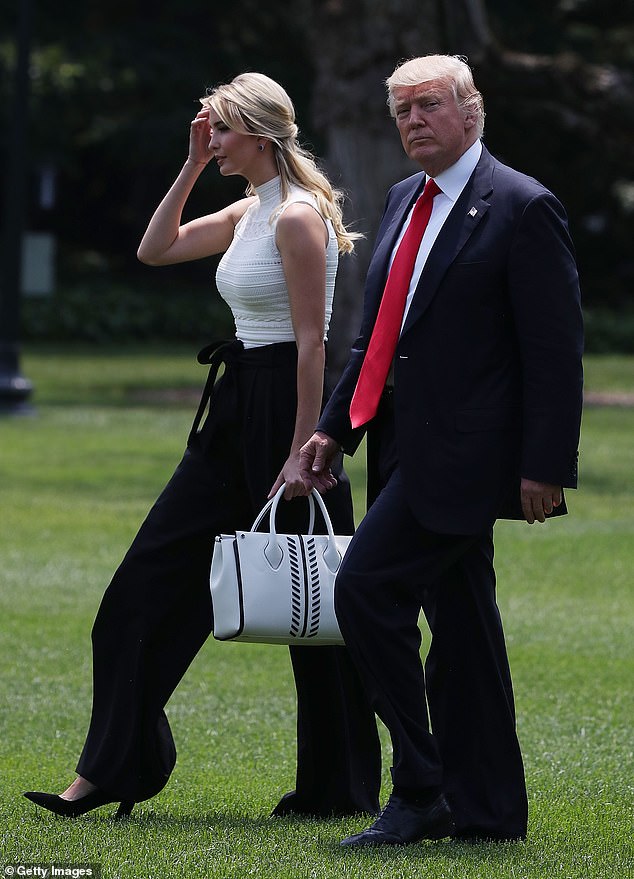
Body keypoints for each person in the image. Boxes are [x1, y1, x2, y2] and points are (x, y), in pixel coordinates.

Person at [23, 72, 381, 820]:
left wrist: (302, 449)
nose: (212, 141)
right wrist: (189, 164)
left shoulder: (297, 218)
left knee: (314, 607)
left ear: (258, 134)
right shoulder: (252, 208)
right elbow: (156, 249)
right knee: (137, 593)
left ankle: (339, 787)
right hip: (234, 407)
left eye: (219, 130)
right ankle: (116, 767)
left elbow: (315, 344)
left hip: (289, 407)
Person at [299, 54, 583, 847]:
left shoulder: (523, 206)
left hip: (468, 459)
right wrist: (334, 427)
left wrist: (546, 467)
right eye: (402, 111)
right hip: (399, 448)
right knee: (464, 633)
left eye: (429, 105)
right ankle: (489, 813)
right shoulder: (400, 198)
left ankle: (420, 784)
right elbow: (380, 330)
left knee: (363, 589)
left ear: (471, 111)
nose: (414, 120)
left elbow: (554, 352)